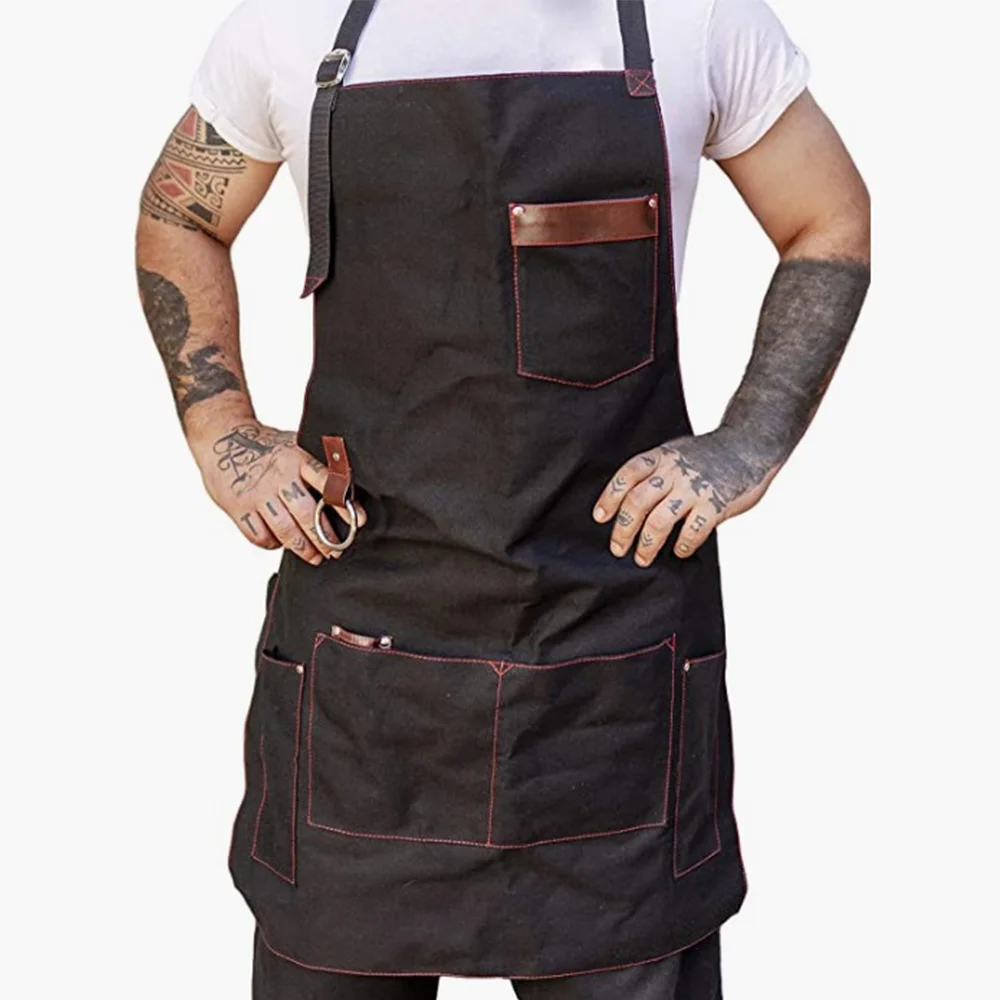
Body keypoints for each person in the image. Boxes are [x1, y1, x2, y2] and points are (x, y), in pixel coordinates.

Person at [135, 1, 870, 996]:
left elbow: (826, 216)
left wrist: (752, 441)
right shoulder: (292, 21)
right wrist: (220, 427)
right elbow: (181, 212)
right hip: (366, 657)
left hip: (610, 658)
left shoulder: (694, 16)